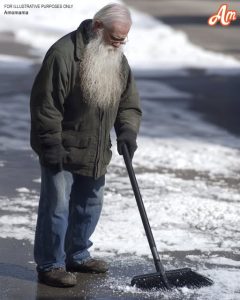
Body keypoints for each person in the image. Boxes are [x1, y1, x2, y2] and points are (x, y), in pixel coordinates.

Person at [30, 3, 142, 288]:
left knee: (89, 204)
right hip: (61, 145)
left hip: (95, 147)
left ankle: (77, 255)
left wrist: (127, 132)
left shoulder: (116, 58)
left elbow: (128, 102)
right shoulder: (63, 54)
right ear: (97, 26)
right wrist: (50, 144)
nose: (120, 44)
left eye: (123, 38)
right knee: (57, 207)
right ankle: (50, 264)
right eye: (115, 37)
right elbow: (47, 105)